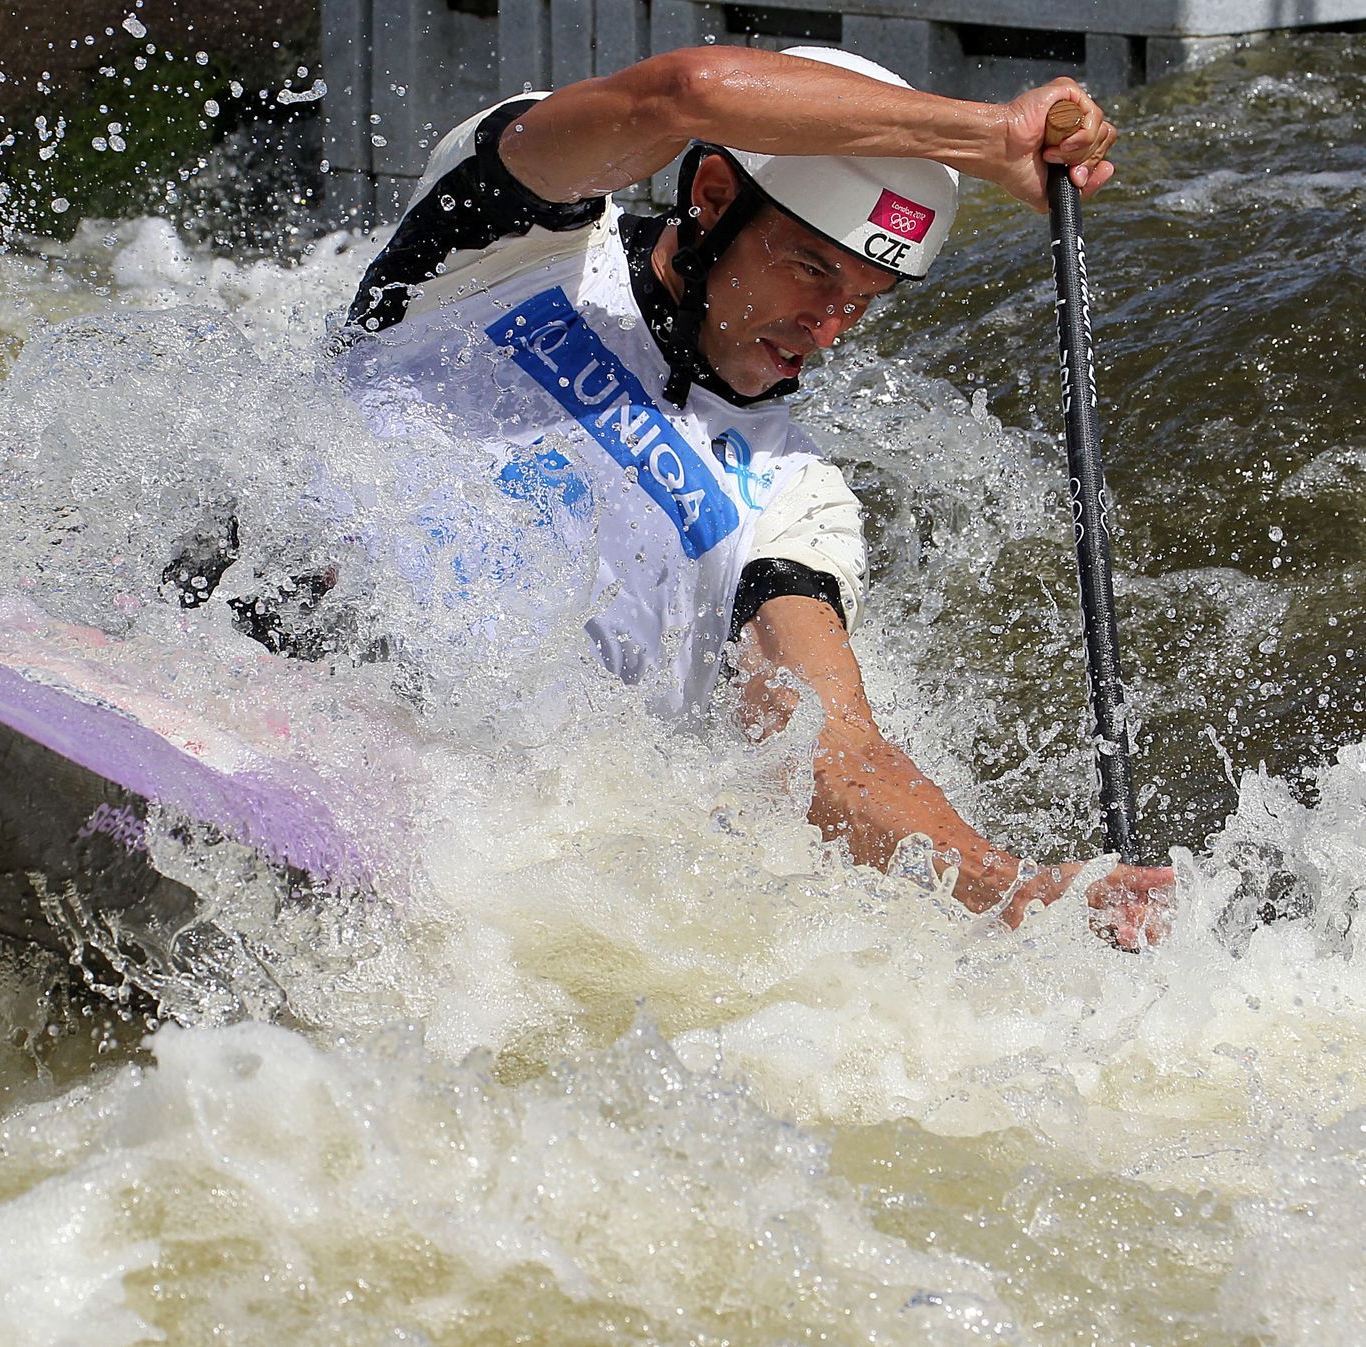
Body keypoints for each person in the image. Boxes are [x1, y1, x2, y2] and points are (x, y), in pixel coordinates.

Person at [335, 44, 1174, 946]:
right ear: (712, 200)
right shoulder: (517, 235)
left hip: (465, 831)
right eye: (812, 271)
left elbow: (833, 751)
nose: (828, 329)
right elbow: (681, 93)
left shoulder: (795, 496)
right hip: (291, 654)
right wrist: (982, 131)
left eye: (865, 298)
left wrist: (1012, 889)